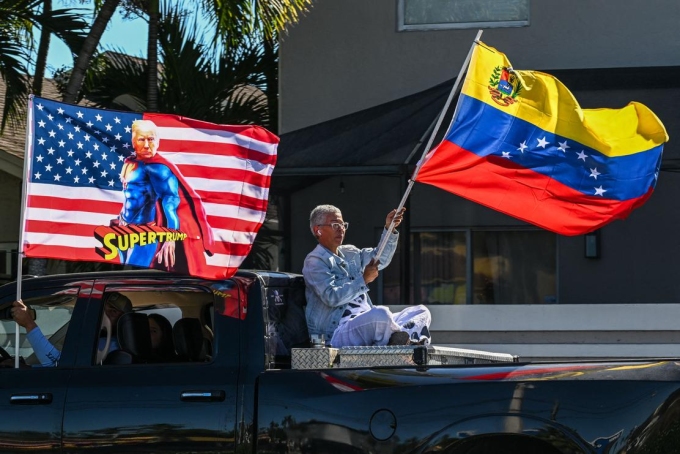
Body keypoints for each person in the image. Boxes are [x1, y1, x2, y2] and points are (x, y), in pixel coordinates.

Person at [303, 204, 431, 348]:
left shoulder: (350, 252)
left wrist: (390, 229)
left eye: (343, 224)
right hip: (338, 332)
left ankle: (400, 340)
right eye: (334, 224)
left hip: (366, 321)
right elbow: (331, 297)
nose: (341, 229)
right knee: (381, 315)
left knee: (421, 311)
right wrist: (363, 280)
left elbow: (379, 258)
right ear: (317, 230)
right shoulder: (314, 261)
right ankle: (403, 341)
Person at [114, 119, 214, 271]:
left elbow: (171, 200)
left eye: (151, 139)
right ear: (134, 142)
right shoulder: (129, 162)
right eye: (142, 139)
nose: (147, 145)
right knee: (122, 276)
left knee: (134, 278)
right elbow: (130, 196)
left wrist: (171, 237)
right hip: (124, 229)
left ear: (158, 142)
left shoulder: (159, 169)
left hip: (145, 234)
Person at [11, 292, 132, 367]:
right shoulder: (95, 338)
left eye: (113, 312)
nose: (104, 314)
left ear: (125, 320)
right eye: (102, 308)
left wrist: (29, 324)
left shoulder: (110, 346)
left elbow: (55, 364)